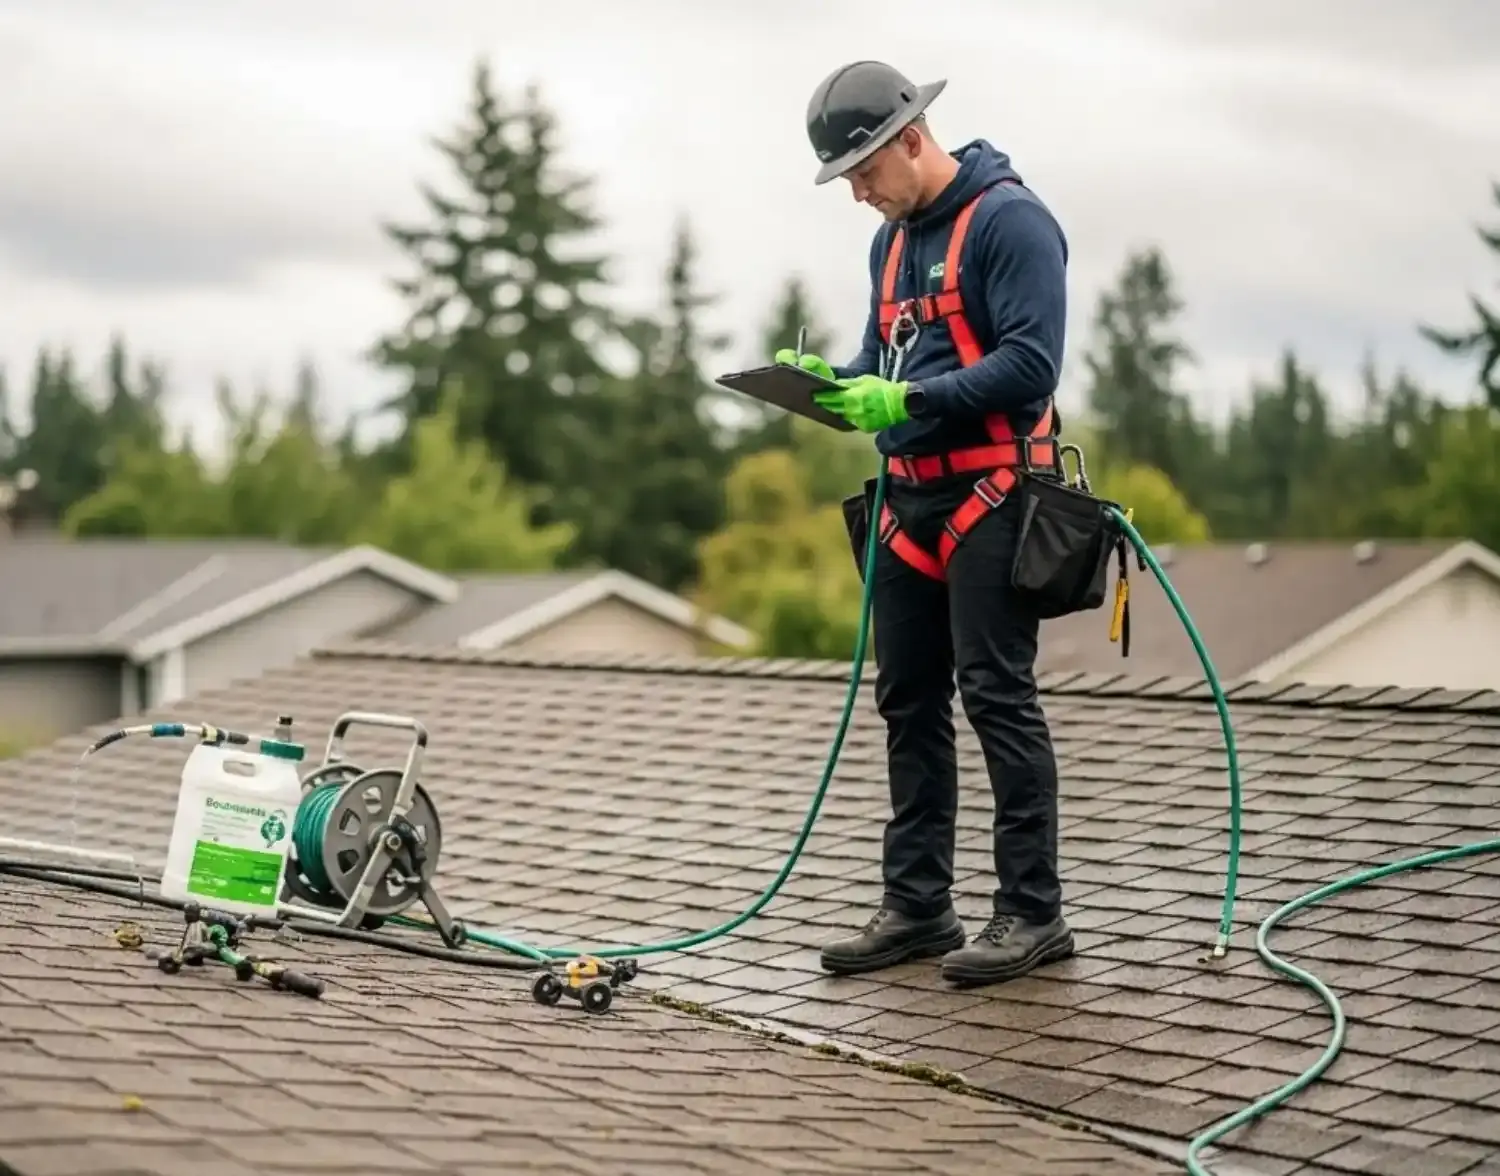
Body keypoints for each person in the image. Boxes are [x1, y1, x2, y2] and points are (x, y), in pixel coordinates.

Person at [777, 60, 1074, 987]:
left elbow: (1032, 365)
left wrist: (904, 394)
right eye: (846, 179)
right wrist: (840, 383)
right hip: (907, 502)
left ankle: (1033, 912)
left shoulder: (1012, 224)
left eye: (866, 169)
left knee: (996, 695)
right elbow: (883, 356)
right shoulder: (892, 245)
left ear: (913, 137)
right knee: (908, 701)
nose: (860, 192)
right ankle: (917, 905)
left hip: (993, 495)